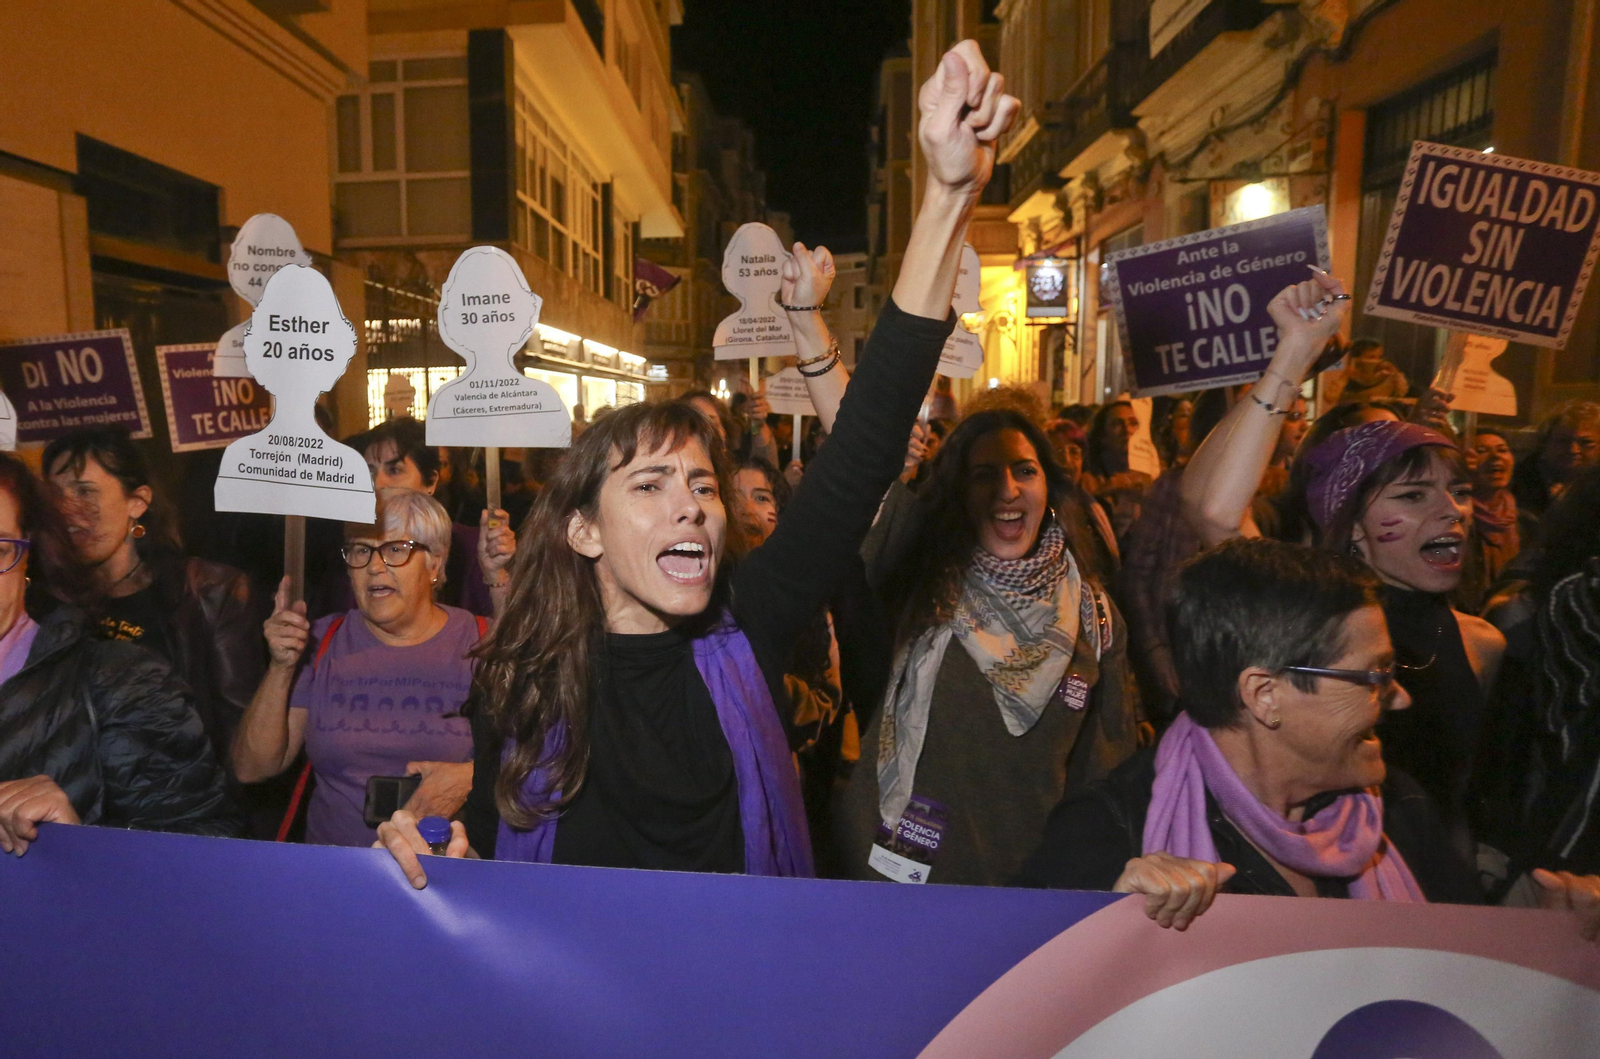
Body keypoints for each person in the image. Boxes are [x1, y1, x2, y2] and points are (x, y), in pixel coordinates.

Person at [372, 39, 1020, 886]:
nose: (692, 504)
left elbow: (863, 448)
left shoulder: (749, 626)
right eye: (650, 483)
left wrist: (947, 196)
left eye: (703, 484)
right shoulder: (520, 686)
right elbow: (495, 855)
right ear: (583, 529)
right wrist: (447, 860)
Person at [1018, 539, 1600, 941]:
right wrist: (1106, 926)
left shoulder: (1398, 808)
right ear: (1265, 695)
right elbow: (1024, 1007)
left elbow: (1457, 977)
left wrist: (1537, 928)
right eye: (1373, 676)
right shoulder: (1110, 831)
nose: (1400, 697)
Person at [1180, 268, 1504, 857]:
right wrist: (1294, 353)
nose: (1450, 511)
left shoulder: (1484, 645)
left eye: (1457, 490)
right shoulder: (1308, 615)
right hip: (1323, 886)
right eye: (1412, 496)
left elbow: (1466, 805)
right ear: (1354, 526)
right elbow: (1213, 510)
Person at [843, 406, 1139, 886]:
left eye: (1025, 470)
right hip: (900, 882)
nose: (1007, 490)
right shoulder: (919, 573)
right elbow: (857, 473)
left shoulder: (1094, 616)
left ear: (1050, 488)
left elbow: (1106, 772)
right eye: (984, 475)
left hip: (1029, 889)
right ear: (958, 494)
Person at [0, 453, 236, 854]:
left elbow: (204, 867)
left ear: (28, 557)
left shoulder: (123, 686)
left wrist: (82, 846)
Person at [231, 488, 494, 847]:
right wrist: (280, 666)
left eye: (396, 550)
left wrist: (473, 776)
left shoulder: (483, 643)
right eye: (360, 550)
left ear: (435, 563)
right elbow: (252, 767)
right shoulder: (321, 640)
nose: (373, 566)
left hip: (447, 875)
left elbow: (546, 767)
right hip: (333, 876)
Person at [43, 427, 264, 765]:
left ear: (137, 502)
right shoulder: (48, 598)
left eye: (85, 492)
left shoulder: (207, 591)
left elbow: (239, 736)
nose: (68, 512)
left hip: (185, 798)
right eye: (56, 497)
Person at [344, 417, 510, 619]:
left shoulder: (472, 547)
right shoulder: (351, 551)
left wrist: (496, 575)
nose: (378, 484)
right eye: (369, 473)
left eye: (394, 470)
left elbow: (511, 635)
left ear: (431, 481)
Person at [1513, 400, 1600, 521]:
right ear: (1545, 443)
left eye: (1586, 443)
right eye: (1563, 441)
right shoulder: (1517, 481)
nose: (1573, 450)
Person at [1081, 399, 1153, 541]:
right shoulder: (1088, 480)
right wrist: (1104, 491)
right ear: (1102, 435)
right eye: (1117, 424)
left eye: (1134, 423)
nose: (1127, 430)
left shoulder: (1155, 476)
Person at [1470, 428, 1521, 585]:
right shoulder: (1452, 518)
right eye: (1481, 451)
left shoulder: (1525, 522)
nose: (1496, 456)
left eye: (1502, 450)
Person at [1331, 338, 1411, 403]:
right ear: (1357, 359)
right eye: (1371, 357)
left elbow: (1402, 394)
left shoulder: (1386, 377)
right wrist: (1345, 377)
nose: (1377, 361)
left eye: (1379, 357)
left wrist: (1395, 373)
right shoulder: (1350, 378)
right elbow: (1331, 397)